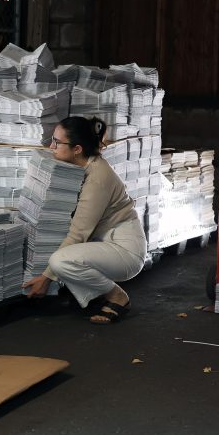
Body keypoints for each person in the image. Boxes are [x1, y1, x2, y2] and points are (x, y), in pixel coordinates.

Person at [22, 116, 147, 324]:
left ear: (77, 149)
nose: (51, 146)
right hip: (104, 242)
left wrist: (46, 278)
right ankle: (93, 296)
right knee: (63, 258)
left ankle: (117, 296)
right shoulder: (79, 168)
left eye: (57, 142)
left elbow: (78, 233)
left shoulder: (97, 178)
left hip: (125, 251)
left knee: (60, 261)